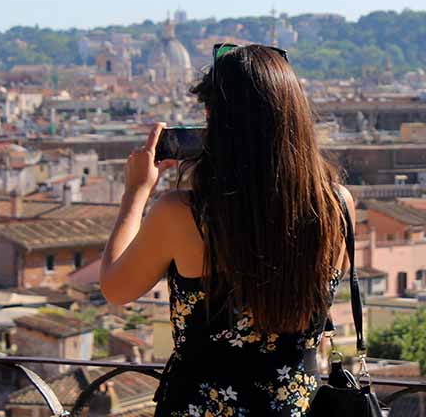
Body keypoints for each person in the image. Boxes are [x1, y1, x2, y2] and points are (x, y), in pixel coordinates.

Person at [100, 44, 355, 416]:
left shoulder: (182, 213)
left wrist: (136, 192)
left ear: (217, 124)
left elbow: (115, 288)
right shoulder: (338, 204)